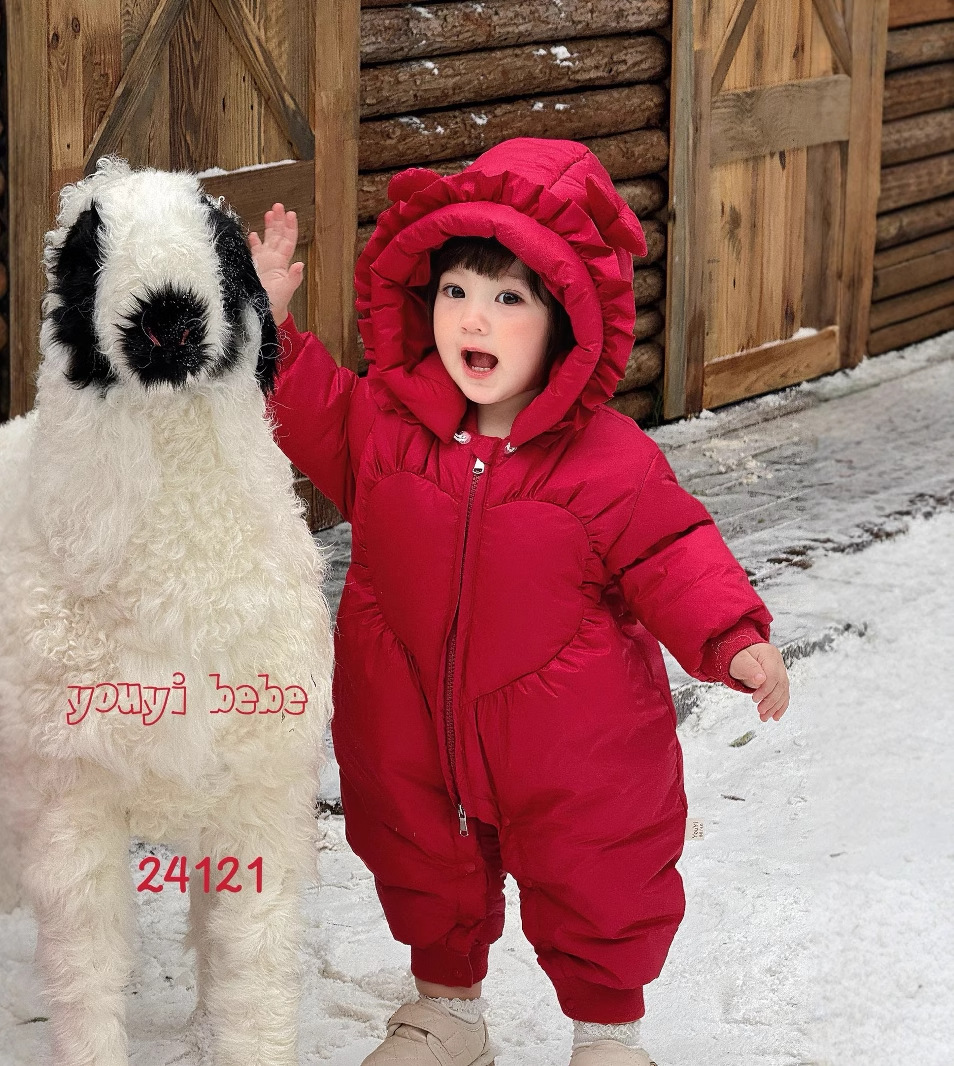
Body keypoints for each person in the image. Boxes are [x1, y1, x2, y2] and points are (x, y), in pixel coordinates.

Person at [250, 138, 790, 1066]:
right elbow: (309, 410)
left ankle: (609, 1035)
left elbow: (672, 550)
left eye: (510, 299)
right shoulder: (383, 421)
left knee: (597, 867)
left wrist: (733, 635)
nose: (477, 319)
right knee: (421, 857)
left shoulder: (608, 458)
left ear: (564, 320)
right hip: (410, 716)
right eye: (457, 291)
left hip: (571, 739)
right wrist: (269, 324)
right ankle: (447, 1014)